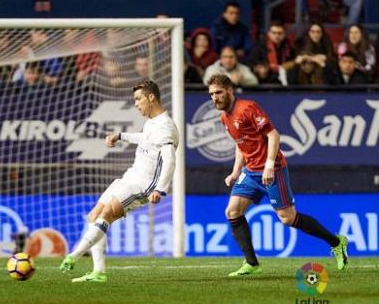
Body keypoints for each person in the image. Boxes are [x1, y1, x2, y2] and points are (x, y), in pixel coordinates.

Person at [206, 74, 349, 276]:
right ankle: (252, 264)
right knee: (232, 212)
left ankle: (337, 242)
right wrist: (235, 172)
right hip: (251, 172)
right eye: (211, 94)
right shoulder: (224, 117)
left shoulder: (247, 108)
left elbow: (273, 134)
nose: (215, 98)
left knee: (287, 218)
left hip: (272, 170)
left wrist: (269, 165)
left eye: (218, 92)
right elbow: (241, 146)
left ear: (230, 90)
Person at [59, 80, 178, 281]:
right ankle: (98, 272)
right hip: (129, 177)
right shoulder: (152, 123)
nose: (136, 104)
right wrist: (120, 136)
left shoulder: (166, 126)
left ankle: (74, 255)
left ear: (151, 97)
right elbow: (145, 138)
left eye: (138, 99)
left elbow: (170, 160)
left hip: (143, 185)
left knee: (106, 214)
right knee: (93, 216)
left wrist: (161, 189)